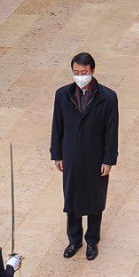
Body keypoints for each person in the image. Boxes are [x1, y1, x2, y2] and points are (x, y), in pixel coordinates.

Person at [50, 52, 118, 259]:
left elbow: (111, 130)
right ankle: (74, 239)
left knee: (95, 199)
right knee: (71, 198)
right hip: (71, 156)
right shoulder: (63, 95)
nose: (80, 76)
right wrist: (57, 154)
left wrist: (109, 159)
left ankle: (92, 240)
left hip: (95, 158)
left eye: (84, 72)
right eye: (76, 72)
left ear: (92, 71)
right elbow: (57, 126)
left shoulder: (107, 97)